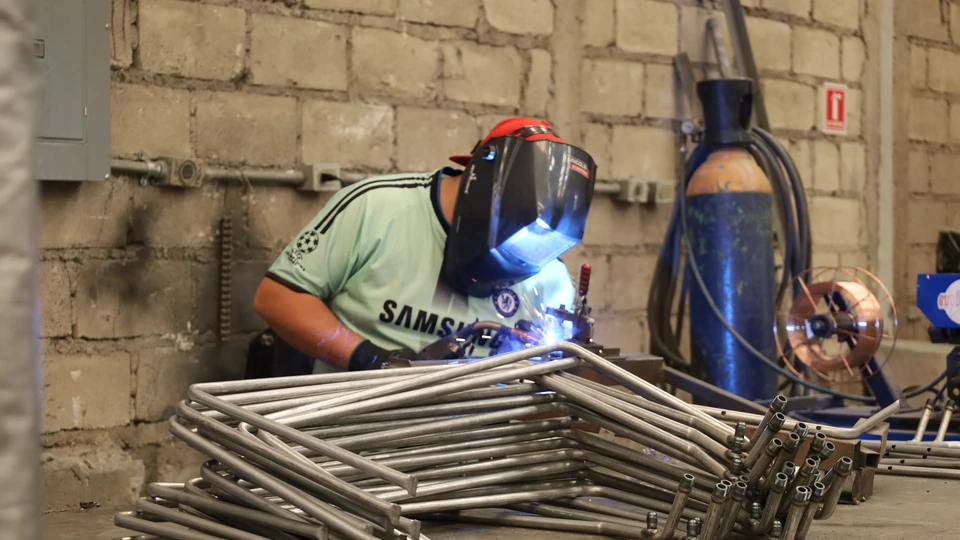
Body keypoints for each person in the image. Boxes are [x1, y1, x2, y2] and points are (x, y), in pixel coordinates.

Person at [251, 117, 597, 374]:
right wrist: (374, 360)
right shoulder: (378, 208)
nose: (528, 255)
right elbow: (277, 298)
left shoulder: (550, 280)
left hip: (477, 458)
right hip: (353, 444)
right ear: (482, 182)